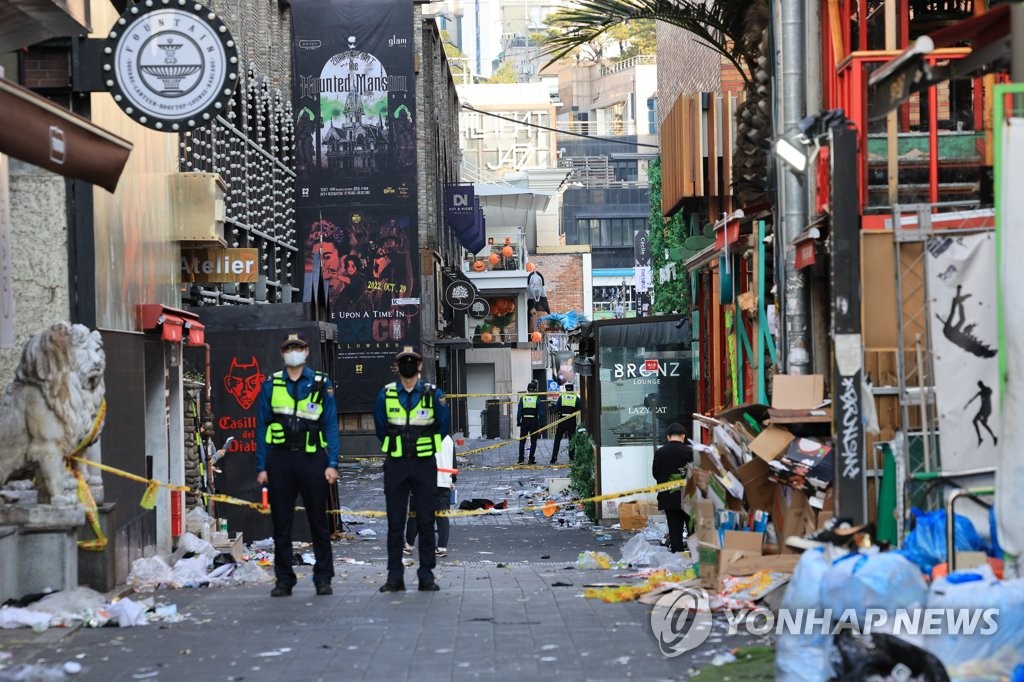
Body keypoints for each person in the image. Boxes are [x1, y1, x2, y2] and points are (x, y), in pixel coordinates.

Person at [255, 333, 340, 597]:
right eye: (289, 349)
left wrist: (332, 463)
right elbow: (261, 427)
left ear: (306, 352)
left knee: (318, 521)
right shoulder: (272, 385)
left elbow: (331, 425)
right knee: (282, 523)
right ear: (283, 354)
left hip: (312, 459)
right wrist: (261, 466)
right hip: (280, 460)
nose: (294, 352)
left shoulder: (320, 383)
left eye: (298, 348)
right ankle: (284, 579)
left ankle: (323, 578)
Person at [374, 346, 450, 592]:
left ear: (419, 366)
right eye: (402, 362)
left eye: (412, 361)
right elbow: (380, 426)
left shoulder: (432, 394)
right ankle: (394, 577)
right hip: (396, 464)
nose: (407, 364)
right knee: (396, 523)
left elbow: (443, 426)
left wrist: (426, 447)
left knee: (426, 521)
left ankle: (426, 575)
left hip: (423, 464)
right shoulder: (385, 395)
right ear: (397, 367)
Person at [404, 434, 456, 557]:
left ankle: (409, 546)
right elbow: (453, 462)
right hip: (443, 483)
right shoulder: (448, 439)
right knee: (442, 517)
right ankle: (442, 548)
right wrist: (453, 480)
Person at [651, 422, 693, 553]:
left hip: (668, 498)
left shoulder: (660, 452)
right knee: (693, 531)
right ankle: (695, 560)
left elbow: (655, 473)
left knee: (675, 532)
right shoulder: (691, 451)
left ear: (668, 437)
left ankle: (677, 560)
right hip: (689, 497)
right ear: (683, 436)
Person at [549, 383, 580, 464]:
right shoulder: (575, 398)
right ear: (572, 389)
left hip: (562, 420)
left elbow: (556, 409)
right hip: (571, 421)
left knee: (557, 439)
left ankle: (554, 457)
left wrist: (559, 411)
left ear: (566, 389)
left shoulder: (562, 397)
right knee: (571, 440)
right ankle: (572, 458)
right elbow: (580, 408)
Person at [517, 380, 541, 465]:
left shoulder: (523, 398)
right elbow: (540, 413)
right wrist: (540, 425)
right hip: (534, 421)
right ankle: (531, 459)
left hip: (524, 421)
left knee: (522, 441)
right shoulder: (537, 399)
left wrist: (518, 421)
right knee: (533, 441)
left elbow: (519, 411)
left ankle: (521, 459)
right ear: (535, 390)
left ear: (527, 389)